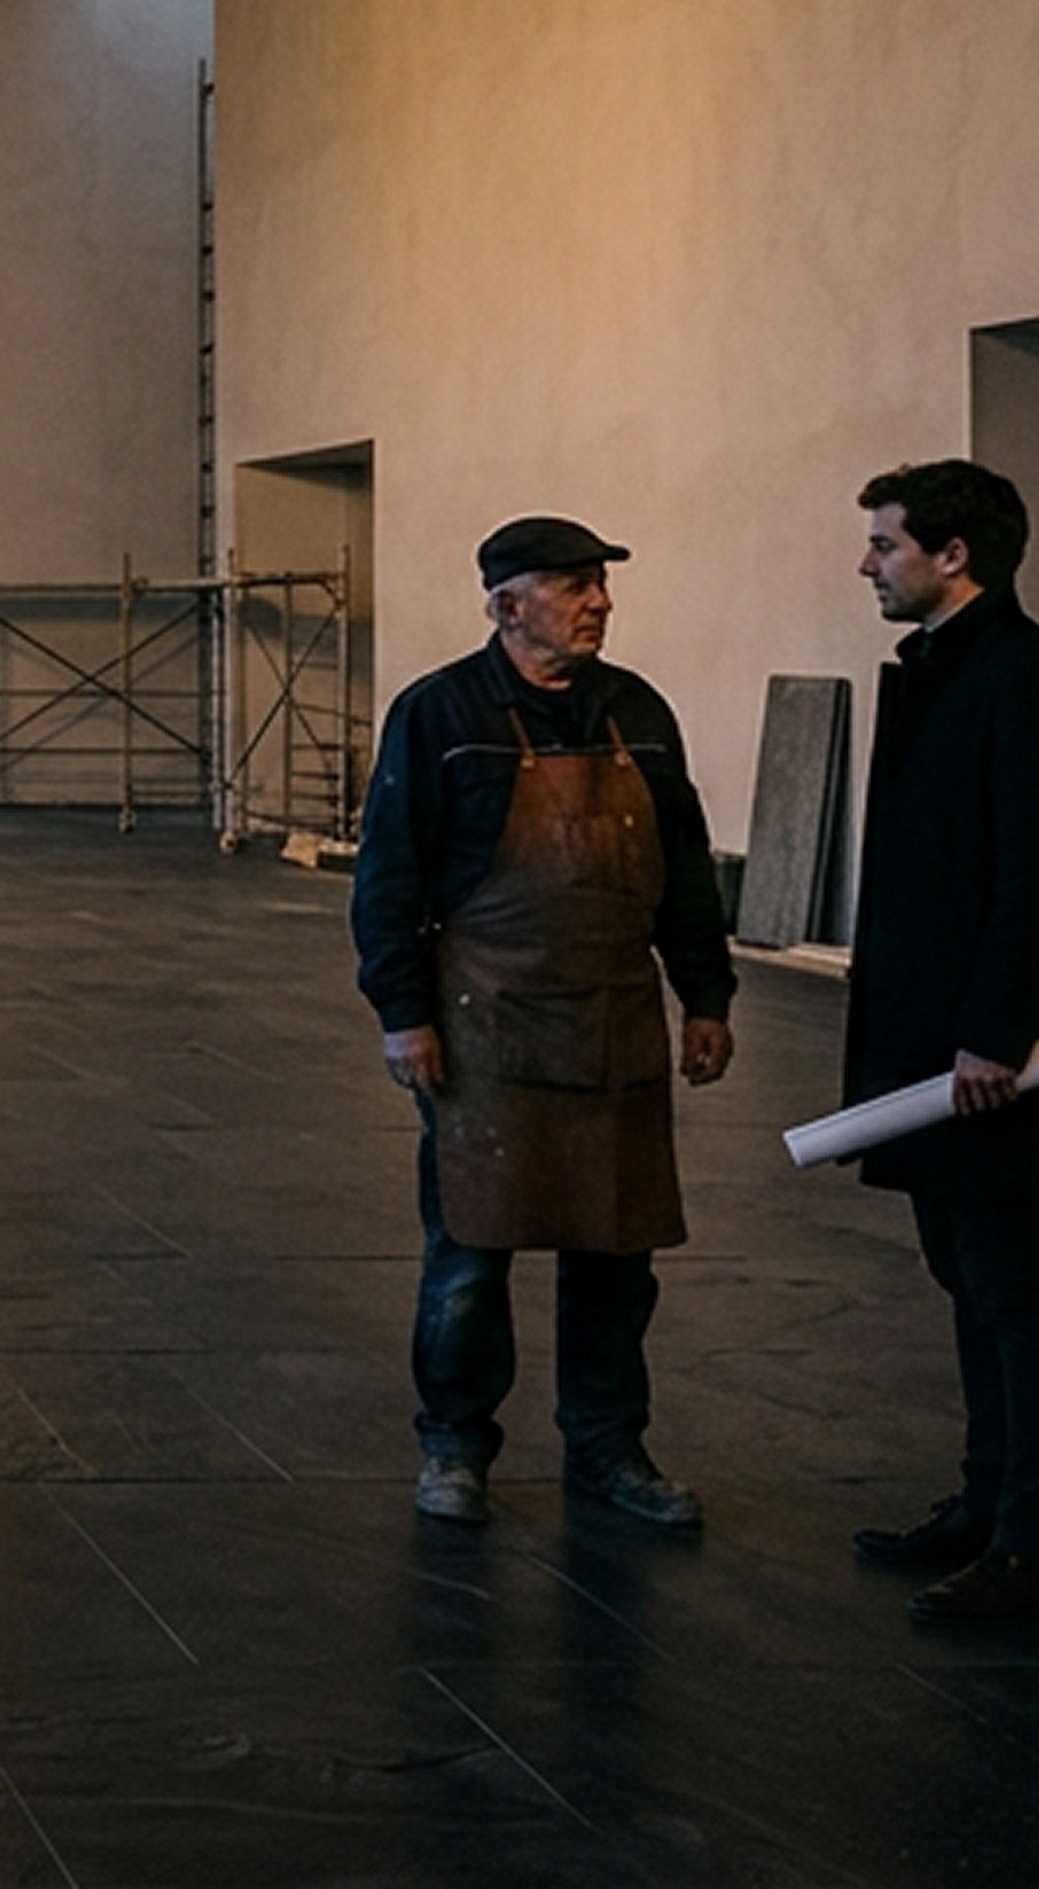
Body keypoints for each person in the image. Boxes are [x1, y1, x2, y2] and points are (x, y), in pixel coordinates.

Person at [350, 514, 738, 1530]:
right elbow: (387, 877)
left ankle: (608, 1450)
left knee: (616, 1259)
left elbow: (685, 870)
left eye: (598, 586)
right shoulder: (438, 714)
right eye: (572, 586)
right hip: (484, 1027)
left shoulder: (637, 713)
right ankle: (454, 1449)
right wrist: (403, 1014)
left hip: (615, 1020)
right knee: (469, 1258)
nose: (597, 603)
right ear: (505, 604)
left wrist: (705, 995)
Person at [842, 457, 1039, 1628]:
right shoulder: (947, 670)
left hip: (988, 1058)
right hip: (939, 1049)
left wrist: (992, 1034)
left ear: (950, 556)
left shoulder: (1027, 679)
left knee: (1013, 1291)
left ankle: (1033, 1548)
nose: (864, 562)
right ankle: (982, 1507)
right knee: (964, 1279)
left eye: (882, 543)